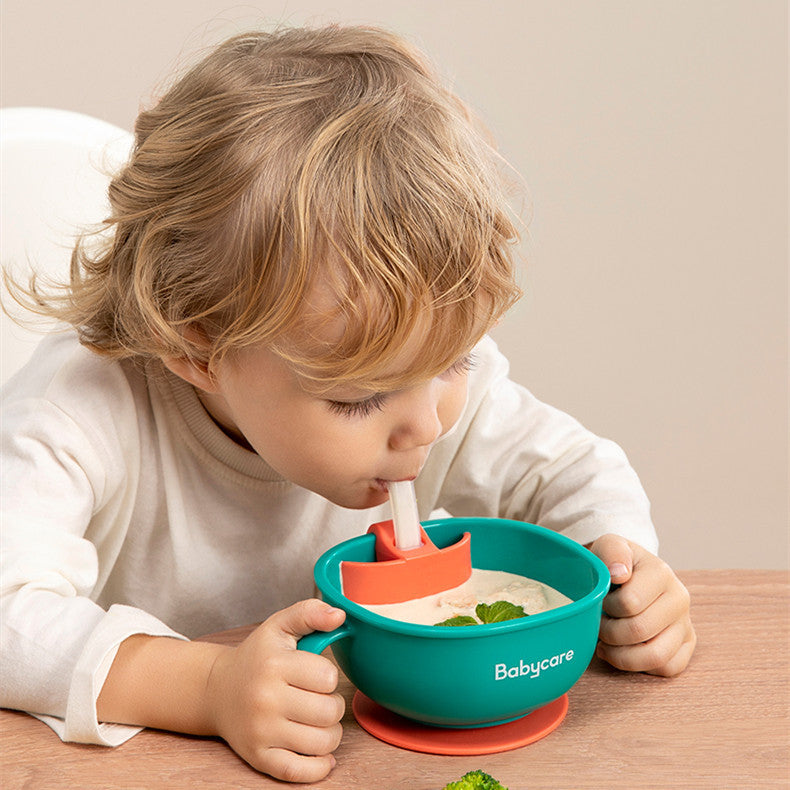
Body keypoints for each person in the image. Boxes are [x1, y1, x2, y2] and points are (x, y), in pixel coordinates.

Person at [0, 25, 696, 783]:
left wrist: (625, 568)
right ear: (197, 347)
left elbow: (571, 469)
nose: (428, 424)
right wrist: (208, 688)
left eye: (453, 360)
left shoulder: (411, 373)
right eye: (360, 399)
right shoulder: (81, 409)